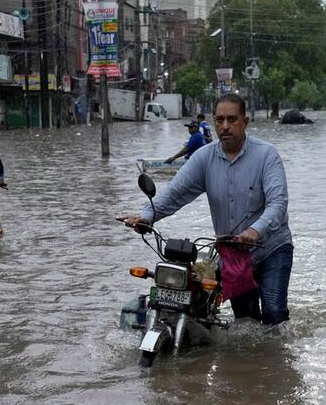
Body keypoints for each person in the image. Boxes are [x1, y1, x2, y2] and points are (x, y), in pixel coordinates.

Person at [125, 94, 293, 325]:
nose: (225, 126)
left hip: (272, 247)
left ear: (245, 122)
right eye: (220, 120)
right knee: (246, 322)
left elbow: (278, 204)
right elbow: (175, 193)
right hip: (234, 254)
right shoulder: (204, 158)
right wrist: (146, 215)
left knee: (274, 313)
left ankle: (277, 357)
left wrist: (255, 231)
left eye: (232, 120)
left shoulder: (266, 155)